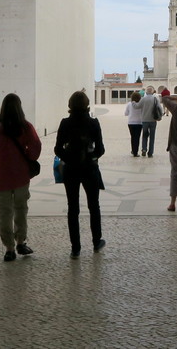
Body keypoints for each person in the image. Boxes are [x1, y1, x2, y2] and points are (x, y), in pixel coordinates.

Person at [0, 93, 42, 262]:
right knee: (21, 209)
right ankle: (21, 241)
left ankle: (9, 248)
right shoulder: (25, 127)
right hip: (21, 175)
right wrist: (28, 156)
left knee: (4, 213)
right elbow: (35, 148)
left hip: (1, 177)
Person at [54, 91, 106, 258]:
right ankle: (96, 241)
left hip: (70, 169)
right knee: (94, 205)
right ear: (87, 104)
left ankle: (75, 247)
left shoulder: (65, 123)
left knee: (73, 208)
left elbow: (58, 148)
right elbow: (100, 149)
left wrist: (69, 158)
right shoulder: (93, 123)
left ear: (70, 105)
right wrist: (89, 157)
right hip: (89, 169)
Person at [140, 88, 163, 157]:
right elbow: (160, 108)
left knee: (144, 136)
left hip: (144, 120)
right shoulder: (155, 99)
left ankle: (144, 149)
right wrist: (160, 116)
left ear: (146, 92)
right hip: (153, 120)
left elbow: (137, 106)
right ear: (152, 92)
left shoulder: (143, 99)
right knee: (152, 137)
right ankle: (150, 153)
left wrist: (133, 102)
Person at [124, 92, 145, 157]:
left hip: (131, 122)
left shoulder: (129, 104)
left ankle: (133, 150)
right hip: (139, 122)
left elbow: (126, 113)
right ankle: (135, 152)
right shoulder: (141, 104)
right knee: (137, 137)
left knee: (133, 137)